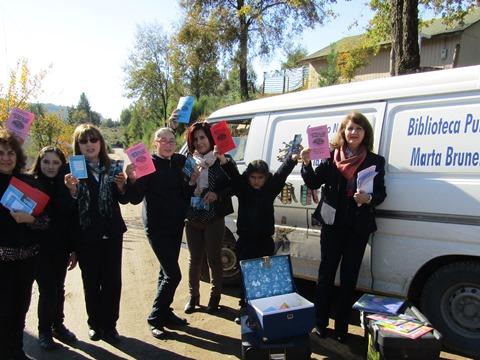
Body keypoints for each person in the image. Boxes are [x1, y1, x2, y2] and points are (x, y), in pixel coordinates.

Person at [300, 111, 386, 343]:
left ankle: (341, 328)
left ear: (365, 133)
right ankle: (319, 323)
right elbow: (313, 181)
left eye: (358, 128)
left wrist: (369, 199)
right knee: (325, 275)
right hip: (332, 224)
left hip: (357, 226)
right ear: (343, 132)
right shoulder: (330, 156)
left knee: (349, 278)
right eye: (350, 128)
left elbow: (381, 193)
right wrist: (306, 163)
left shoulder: (375, 161)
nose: (353, 132)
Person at [126, 124, 197, 339]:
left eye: (171, 141)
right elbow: (135, 198)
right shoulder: (146, 163)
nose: (167, 144)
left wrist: (192, 182)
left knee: (164, 273)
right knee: (173, 275)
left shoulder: (178, 162)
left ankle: (166, 313)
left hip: (175, 224)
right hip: (156, 227)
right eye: (163, 140)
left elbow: (184, 193)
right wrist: (132, 179)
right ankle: (155, 318)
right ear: (155, 143)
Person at [64, 124, 129, 344]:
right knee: (90, 282)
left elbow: (123, 199)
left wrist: (122, 187)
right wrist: (72, 192)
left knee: (112, 283)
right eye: (84, 141)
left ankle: (110, 326)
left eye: (93, 140)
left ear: (101, 143)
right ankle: (95, 324)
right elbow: (68, 210)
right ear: (78, 145)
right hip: (86, 236)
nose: (89, 144)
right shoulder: (71, 170)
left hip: (112, 234)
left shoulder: (113, 167)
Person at [218, 151, 299, 316]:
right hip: (245, 242)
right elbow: (233, 174)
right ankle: (244, 307)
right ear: (248, 177)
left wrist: (292, 159)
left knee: (264, 275)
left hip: (265, 242)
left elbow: (281, 174)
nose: (256, 181)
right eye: (253, 177)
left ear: (266, 178)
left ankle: (263, 307)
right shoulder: (242, 189)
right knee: (246, 276)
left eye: (260, 178)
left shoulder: (271, 189)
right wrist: (224, 161)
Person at [183, 121, 236, 314]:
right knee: (194, 259)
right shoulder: (188, 161)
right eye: (195, 139)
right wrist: (191, 181)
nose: (199, 142)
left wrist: (218, 195)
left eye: (202, 137)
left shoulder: (222, 158)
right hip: (193, 217)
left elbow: (234, 185)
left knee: (214, 259)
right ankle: (193, 297)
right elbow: (182, 189)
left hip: (215, 217)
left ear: (210, 138)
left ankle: (215, 298)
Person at [30, 146, 77, 350]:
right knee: (48, 291)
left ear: (62, 164)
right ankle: (44, 331)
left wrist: (73, 249)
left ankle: (58, 325)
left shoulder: (66, 184)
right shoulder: (31, 184)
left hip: (61, 247)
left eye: (55, 162)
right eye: (46, 162)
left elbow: (72, 217)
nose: (50, 166)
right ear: (39, 163)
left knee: (59, 289)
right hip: (39, 249)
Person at [0, 128, 39, 360]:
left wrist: (31, 219)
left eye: (10, 153)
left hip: (26, 259)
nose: (6, 158)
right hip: (1, 262)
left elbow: (45, 220)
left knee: (20, 310)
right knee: (3, 312)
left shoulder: (26, 181)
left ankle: (17, 351)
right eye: (1, 153)